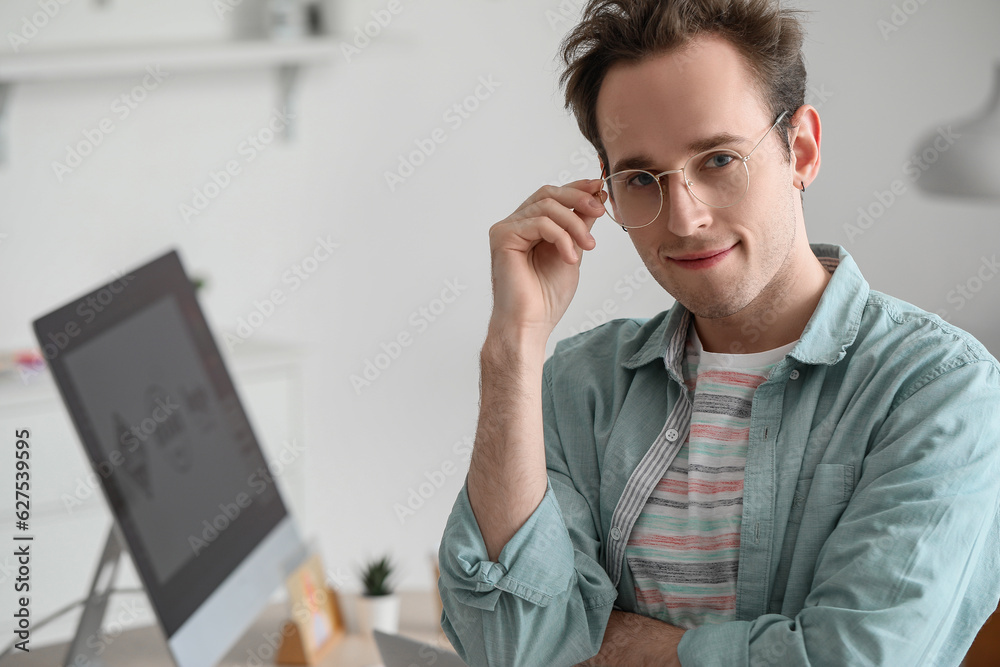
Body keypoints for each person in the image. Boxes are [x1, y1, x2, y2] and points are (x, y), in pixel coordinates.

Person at [436, 0, 1000, 665]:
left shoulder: (939, 389)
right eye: (642, 178)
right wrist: (513, 347)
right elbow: (505, 644)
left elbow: (852, 658)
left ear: (803, 150)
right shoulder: (579, 384)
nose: (684, 217)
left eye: (719, 159)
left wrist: (604, 641)